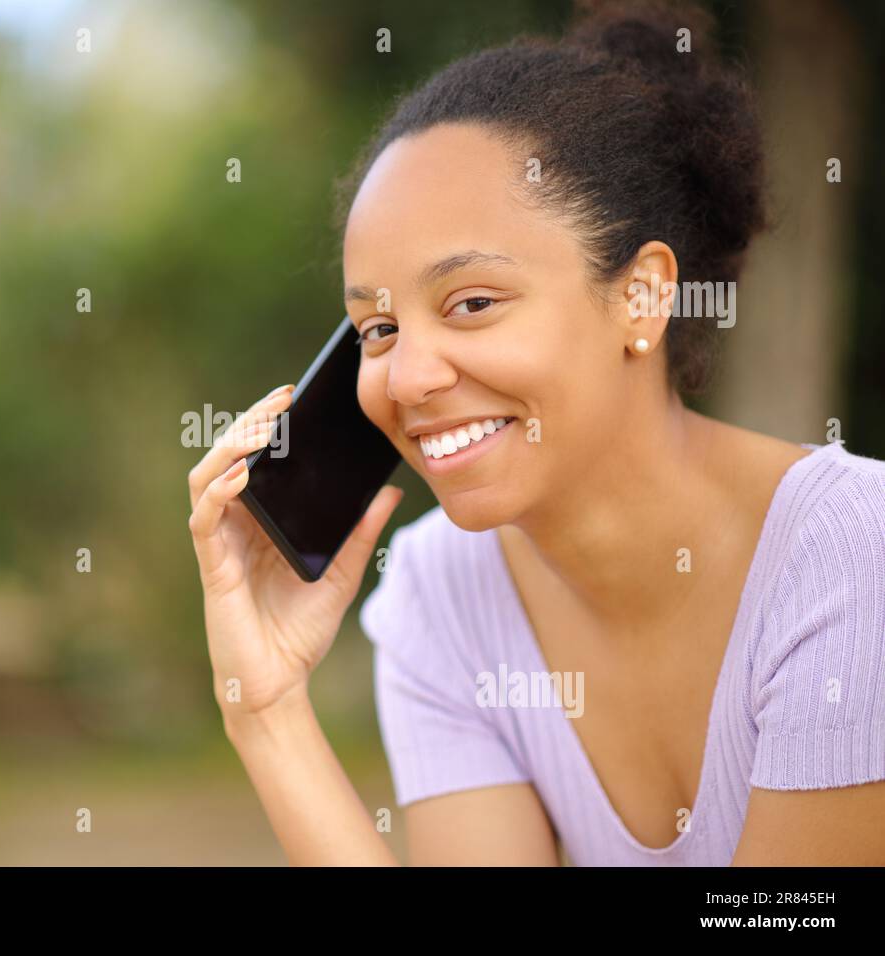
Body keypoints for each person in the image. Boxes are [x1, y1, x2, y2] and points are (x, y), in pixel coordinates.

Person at [185, 0, 885, 865]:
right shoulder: (439, 597)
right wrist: (267, 713)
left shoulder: (851, 554)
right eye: (376, 329)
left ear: (642, 295)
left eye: (471, 303)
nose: (406, 378)